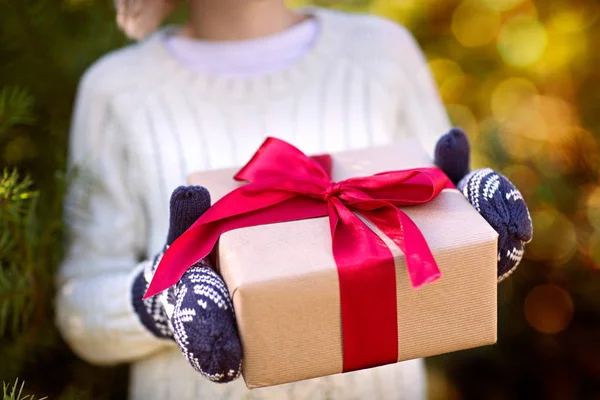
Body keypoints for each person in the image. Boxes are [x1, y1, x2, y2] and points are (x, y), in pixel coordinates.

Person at [55, 1, 531, 399]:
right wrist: (164, 298)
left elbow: (441, 242)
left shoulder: (382, 53)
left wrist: (478, 234)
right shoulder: (115, 89)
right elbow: (80, 309)